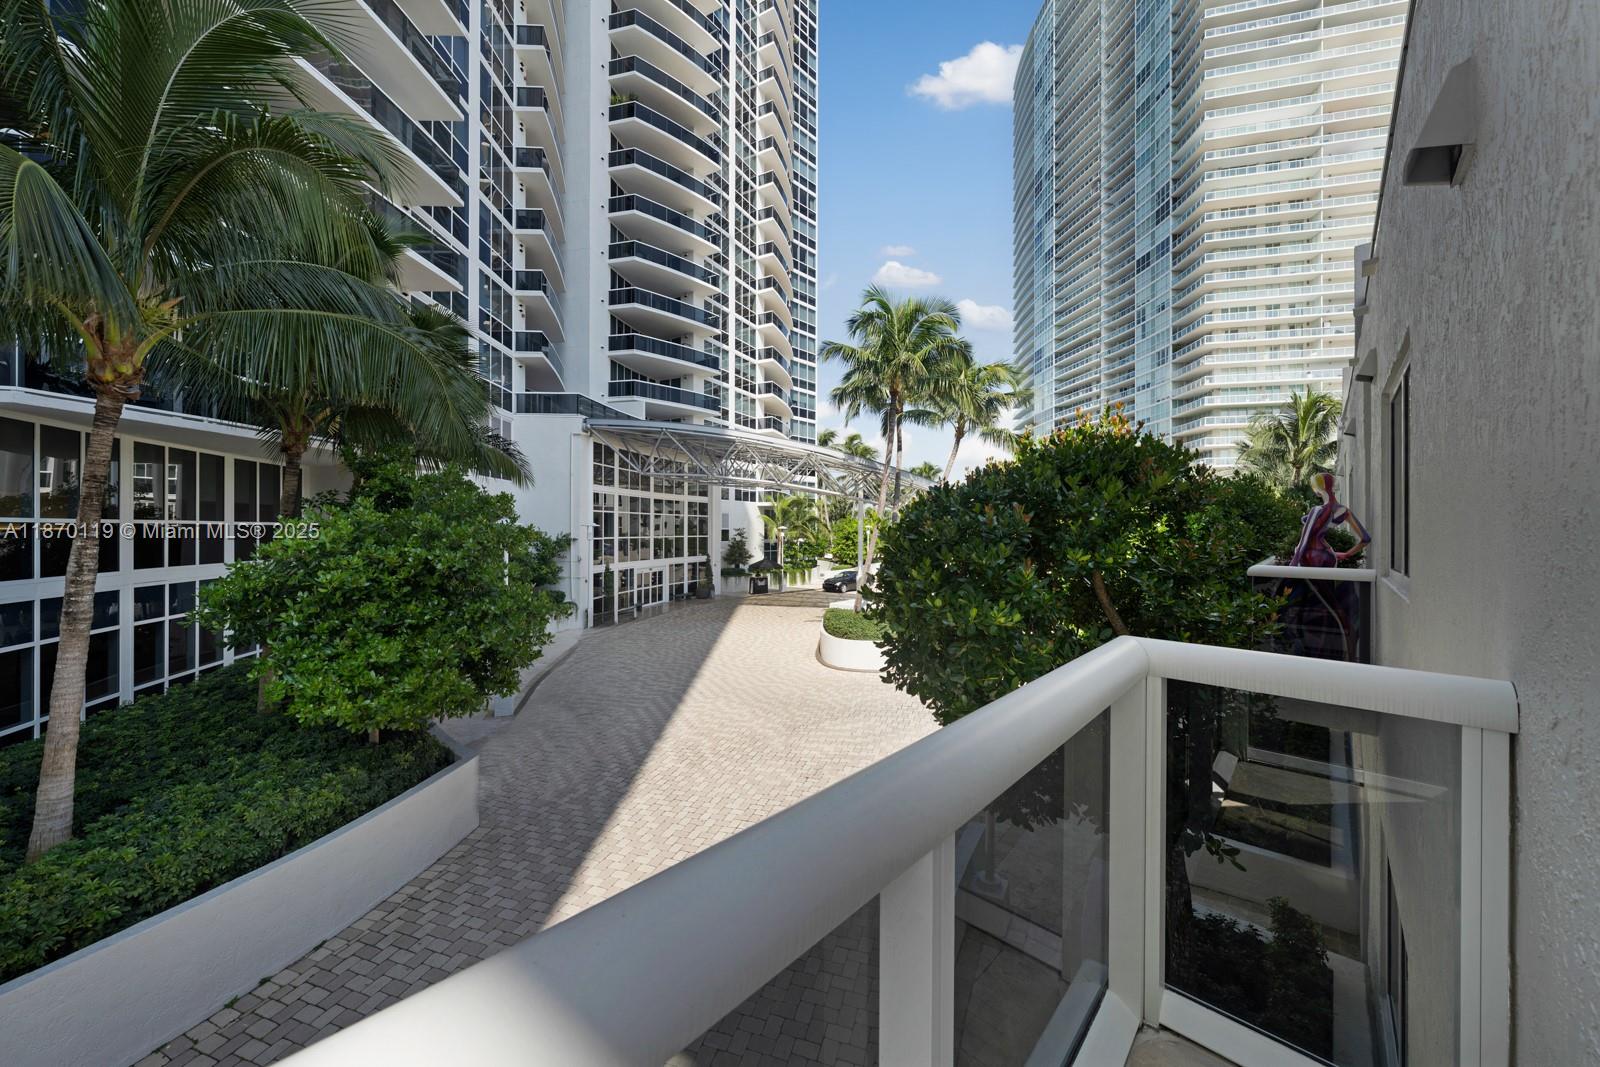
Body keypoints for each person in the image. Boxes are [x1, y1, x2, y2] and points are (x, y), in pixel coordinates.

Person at [1283, 473, 1371, 660]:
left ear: (1317, 489)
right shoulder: (1342, 510)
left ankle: (1340, 646)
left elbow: (1303, 542)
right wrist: (1344, 554)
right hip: (1327, 557)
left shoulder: (1317, 510)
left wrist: (1290, 570)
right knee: (1325, 604)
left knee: (1324, 606)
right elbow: (1365, 539)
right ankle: (1340, 648)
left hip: (1311, 558)